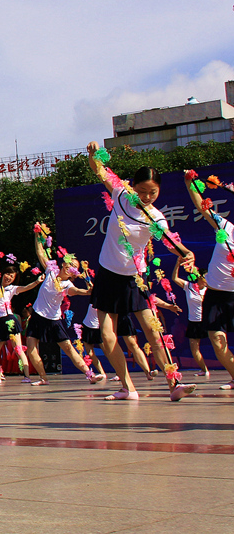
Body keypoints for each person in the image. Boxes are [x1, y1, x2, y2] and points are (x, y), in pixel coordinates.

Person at [85, 145, 197, 401]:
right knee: (106, 334)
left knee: (152, 329)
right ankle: (127, 387)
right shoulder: (121, 194)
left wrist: (186, 253)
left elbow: (170, 241)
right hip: (108, 274)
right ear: (133, 186)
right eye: (143, 191)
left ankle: (173, 384)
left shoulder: (156, 217)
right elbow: (100, 170)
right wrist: (92, 154)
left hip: (136, 278)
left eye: (153, 192)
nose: (147, 196)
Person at [182, 173, 234, 388]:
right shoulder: (226, 228)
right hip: (214, 294)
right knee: (217, 339)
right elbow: (204, 208)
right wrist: (189, 183)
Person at [25, 235, 98, 386]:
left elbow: (79, 291)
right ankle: (43, 378)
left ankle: (90, 374)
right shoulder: (51, 271)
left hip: (54, 320)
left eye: (74, 267)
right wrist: (38, 234)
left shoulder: (67, 285)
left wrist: (90, 290)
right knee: (31, 348)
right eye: (70, 263)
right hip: (38, 316)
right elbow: (40, 252)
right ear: (64, 264)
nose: (70, 266)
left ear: (74, 273)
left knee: (69, 348)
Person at [0, 256, 39, 384]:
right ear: (3, 274)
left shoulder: (12, 289)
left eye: (12, 276)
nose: (9, 277)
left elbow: (26, 287)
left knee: (18, 349)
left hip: (9, 320)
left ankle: (27, 376)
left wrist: (37, 282)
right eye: (8, 274)